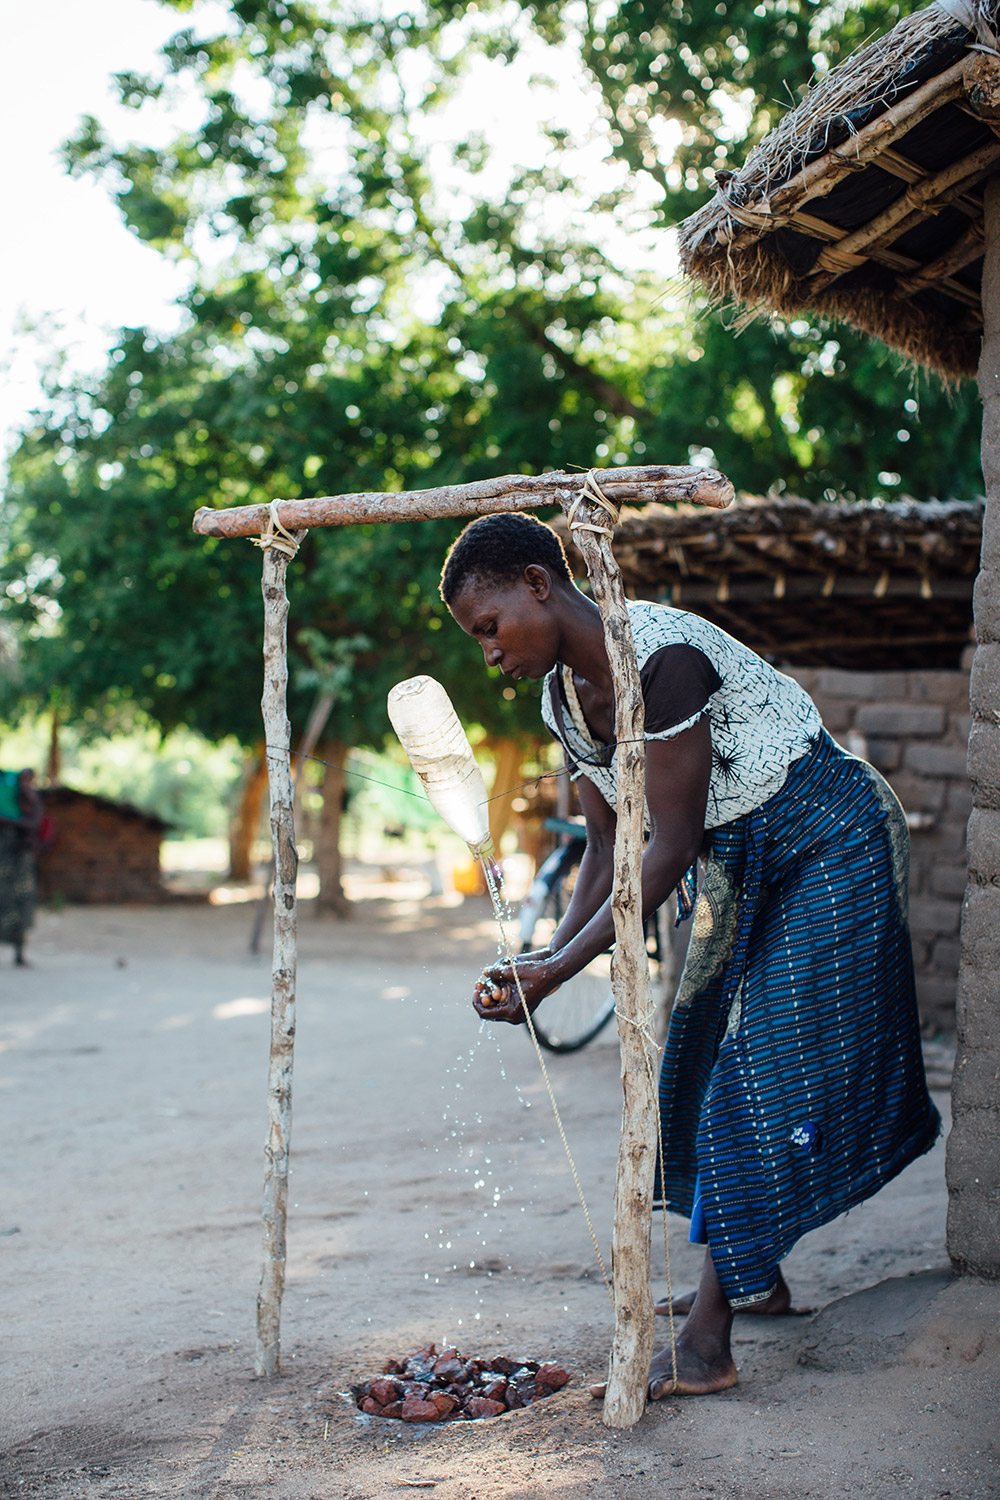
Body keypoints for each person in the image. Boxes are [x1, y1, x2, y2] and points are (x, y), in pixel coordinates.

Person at [439, 510, 940, 1401]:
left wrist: (558, 972)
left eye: (490, 627)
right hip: (742, 861)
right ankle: (757, 1270)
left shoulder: (663, 660)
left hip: (829, 839)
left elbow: (663, 850)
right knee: (702, 1058)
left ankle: (712, 1341)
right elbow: (604, 845)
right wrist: (543, 959)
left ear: (538, 583)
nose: (490, 655)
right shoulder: (565, 698)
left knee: (760, 1066)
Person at [0, 769, 42, 967]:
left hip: (19, 858)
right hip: (8, 855)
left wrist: (15, 823)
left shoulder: (27, 797)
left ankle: (19, 952)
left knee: (22, 903)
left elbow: (33, 823)